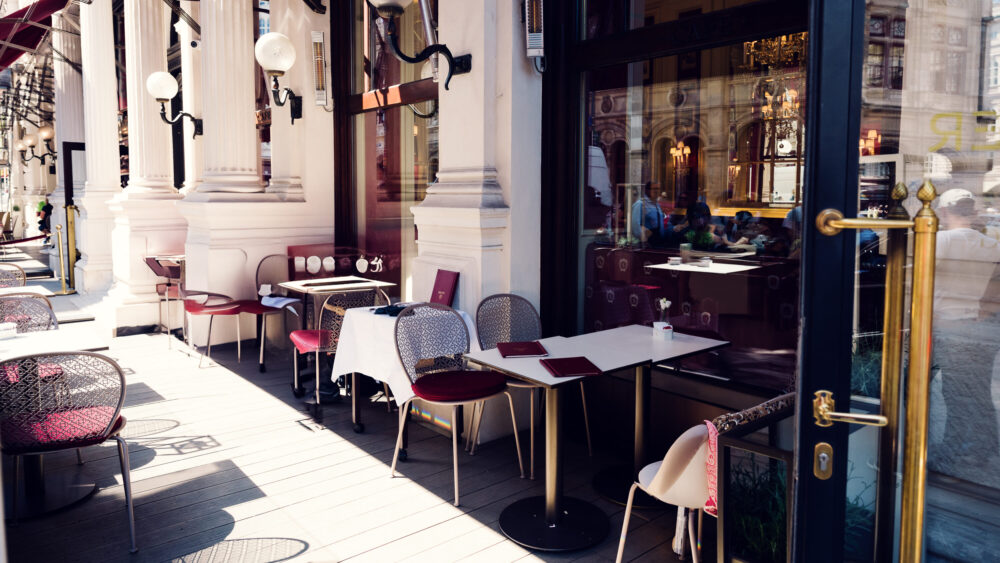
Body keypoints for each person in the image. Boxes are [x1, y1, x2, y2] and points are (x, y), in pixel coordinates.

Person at [927, 188, 1000, 477]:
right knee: (976, 391)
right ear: (972, 211)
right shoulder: (991, 245)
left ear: (945, 211)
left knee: (955, 394)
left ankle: (949, 454)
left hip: (948, 326)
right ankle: (986, 446)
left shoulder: (940, 240)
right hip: (978, 327)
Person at [679, 202, 748, 250]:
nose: (700, 221)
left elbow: (729, 247)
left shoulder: (718, 231)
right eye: (695, 217)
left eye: (703, 216)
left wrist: (726, 242)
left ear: (708, 217)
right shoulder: (686, 233)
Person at [630, 181, 667, 247]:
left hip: (659, 243)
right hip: (647, 244)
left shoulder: (656, 204)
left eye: (658, 189)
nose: (656, 191)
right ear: (647, 190)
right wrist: (644, 241)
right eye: (654, 189)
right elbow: (635, 226)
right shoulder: (640, 204)